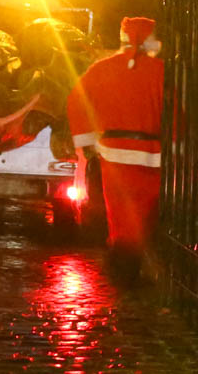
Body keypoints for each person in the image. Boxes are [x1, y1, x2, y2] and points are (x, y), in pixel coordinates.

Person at [69, 16, 164, 282]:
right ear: (147, 39)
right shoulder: (161, 70)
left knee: (119, 211)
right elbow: (174, 108)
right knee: (144, 212)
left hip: (113, 154)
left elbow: (76, 100)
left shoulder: (101, 69)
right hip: (151, 155)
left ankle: (122, 263)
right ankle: (133, 261)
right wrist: (179, 140)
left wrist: (86, 141)